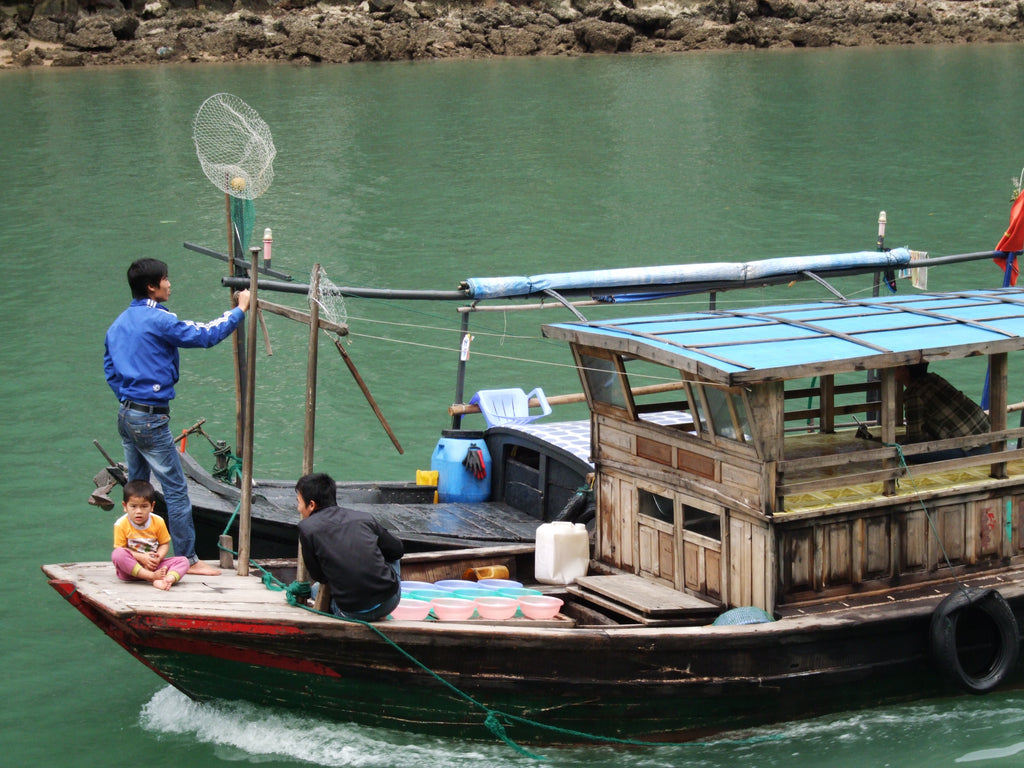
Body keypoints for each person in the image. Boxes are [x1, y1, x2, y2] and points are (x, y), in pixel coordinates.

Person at [104, 258, 250, 576]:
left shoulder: (118, 324)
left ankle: (135, 552)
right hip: (150, 419)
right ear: (152, 287)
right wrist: (240, 309)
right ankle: (187, 558)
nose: (170, 284)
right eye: (166, 280)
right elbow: (205, 335)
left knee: (137, 486)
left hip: (127, 413)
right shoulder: (158, 320)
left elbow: (110, 369)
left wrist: (129, 397)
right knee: (175, 489)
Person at [295, 472, 404, 621]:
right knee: (391, 548)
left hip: (349, 612)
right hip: (388, 602)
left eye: (299, 503)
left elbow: (319, 576)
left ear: (312, 505)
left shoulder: (307, 529)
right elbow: (397, 550)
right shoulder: (364, 518)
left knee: (315, 590)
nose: (298, 508)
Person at [894, 362, 990, 461]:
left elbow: (915, 438)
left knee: (903, 449)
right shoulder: (934, 378)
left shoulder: (914, 394)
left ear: (903, 369)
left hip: (972, 450)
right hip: (989, 440)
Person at [112, 480, 190, 590]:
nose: (138, 511)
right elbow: (122, 549)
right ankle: (152, 577)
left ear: (152, 506)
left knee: (183, 561)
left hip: (154, 566)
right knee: (118, 553)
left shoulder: (158, 521)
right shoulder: (121, 524)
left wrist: (157, 558)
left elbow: (164, 544)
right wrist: (142, 558)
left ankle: (167, 580)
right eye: (133, 506)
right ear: (125, 506)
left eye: (144, 506)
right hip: (132, 569)